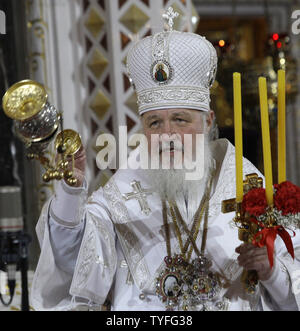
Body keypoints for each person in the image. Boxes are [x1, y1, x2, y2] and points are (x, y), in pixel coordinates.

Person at [30, 10, 300, 311]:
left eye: (180, 120)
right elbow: (72, 263)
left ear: (208, 121)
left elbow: (293, 289)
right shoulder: (119, 196)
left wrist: (271, 270)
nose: (167, 134)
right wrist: (70, 191)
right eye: (154, 123)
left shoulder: (248, 189)